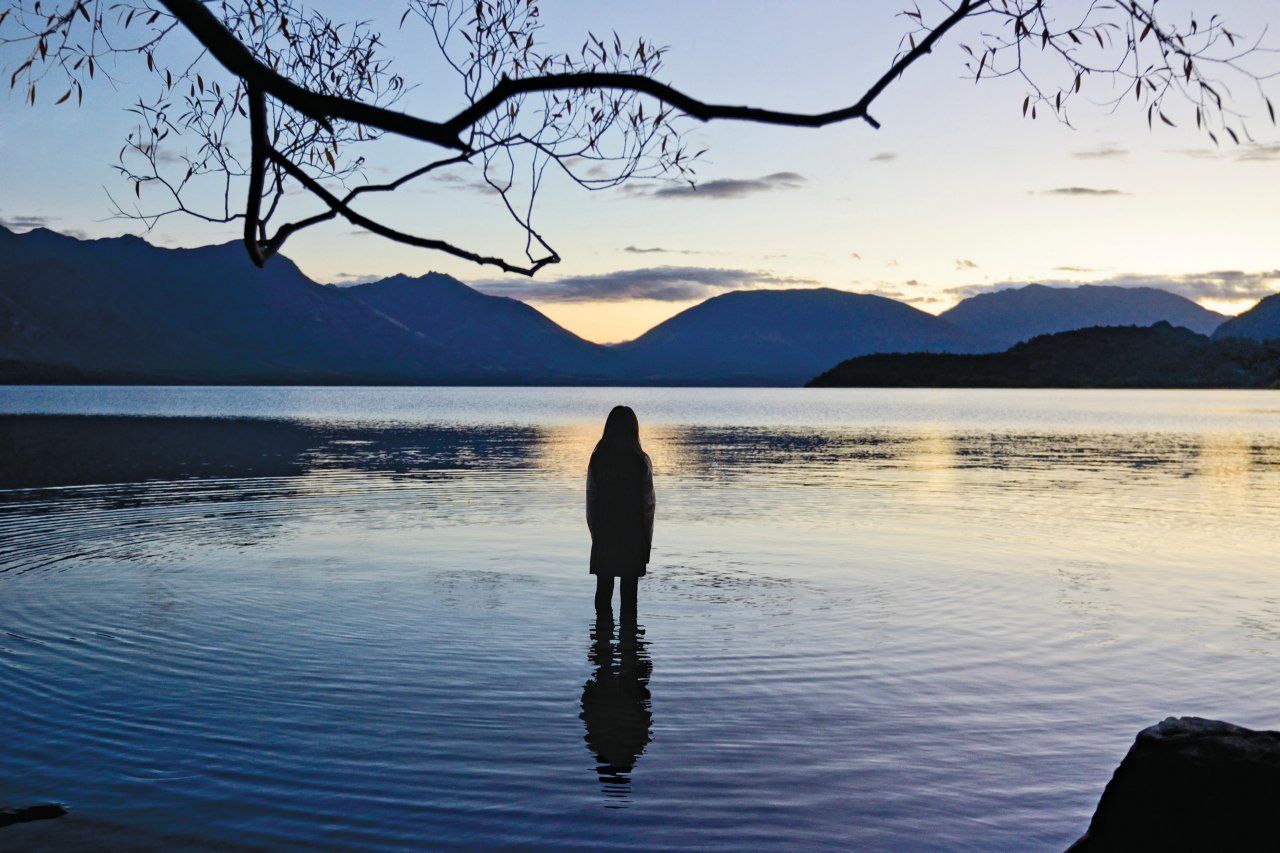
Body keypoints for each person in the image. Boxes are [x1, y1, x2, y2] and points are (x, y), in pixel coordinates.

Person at [586, 405, 655, 616]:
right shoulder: (640, 461)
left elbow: (592, 501)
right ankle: (630, 645)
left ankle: (601, 643)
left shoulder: (598, 460)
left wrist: (595, 534)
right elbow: (648, 506)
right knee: (629, 600)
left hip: (605, 533)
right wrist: (646, 543)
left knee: (603, 595)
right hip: (632, 536)